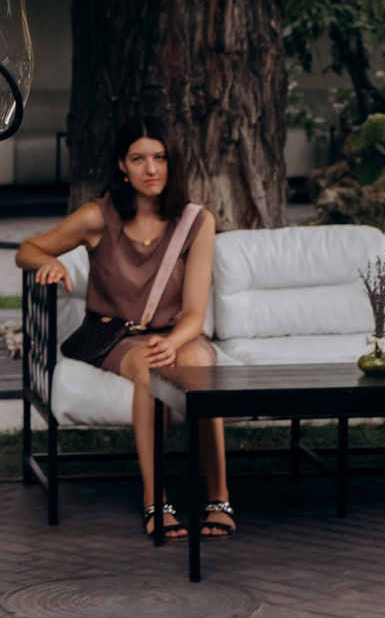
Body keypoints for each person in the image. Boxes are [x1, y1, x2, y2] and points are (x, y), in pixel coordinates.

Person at [15, 118, 229, 540]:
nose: (151, 169)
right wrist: (50, 262)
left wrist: (173, 342)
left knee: (198, 371)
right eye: (138, 159)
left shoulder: (196, 221)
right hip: (118, 337)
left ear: (171, 162)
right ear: (122, 166)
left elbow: (194, 312)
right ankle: (155, 498)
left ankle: (219, 497)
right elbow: (27, 249)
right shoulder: (98, 217)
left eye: (160, 158)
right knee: (151, 370)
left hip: (179, 333)